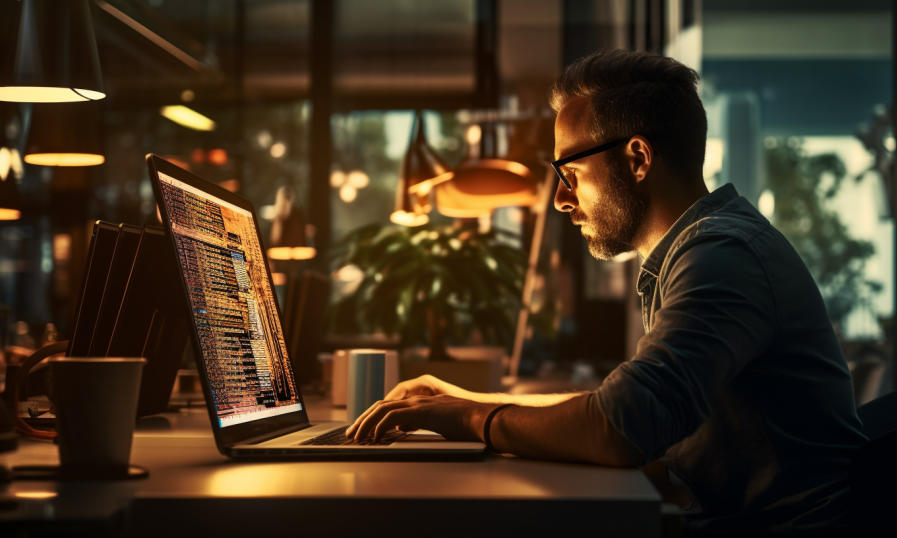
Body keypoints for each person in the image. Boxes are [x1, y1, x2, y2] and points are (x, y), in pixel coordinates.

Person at [347, 50, 866, 535]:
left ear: (638, 158)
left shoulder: (721, 254)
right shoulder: (699, 248)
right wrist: (466, 399)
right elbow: (618, 406)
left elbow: (621, 427)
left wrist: (465, 419)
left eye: (569, 172)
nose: (559, 199)